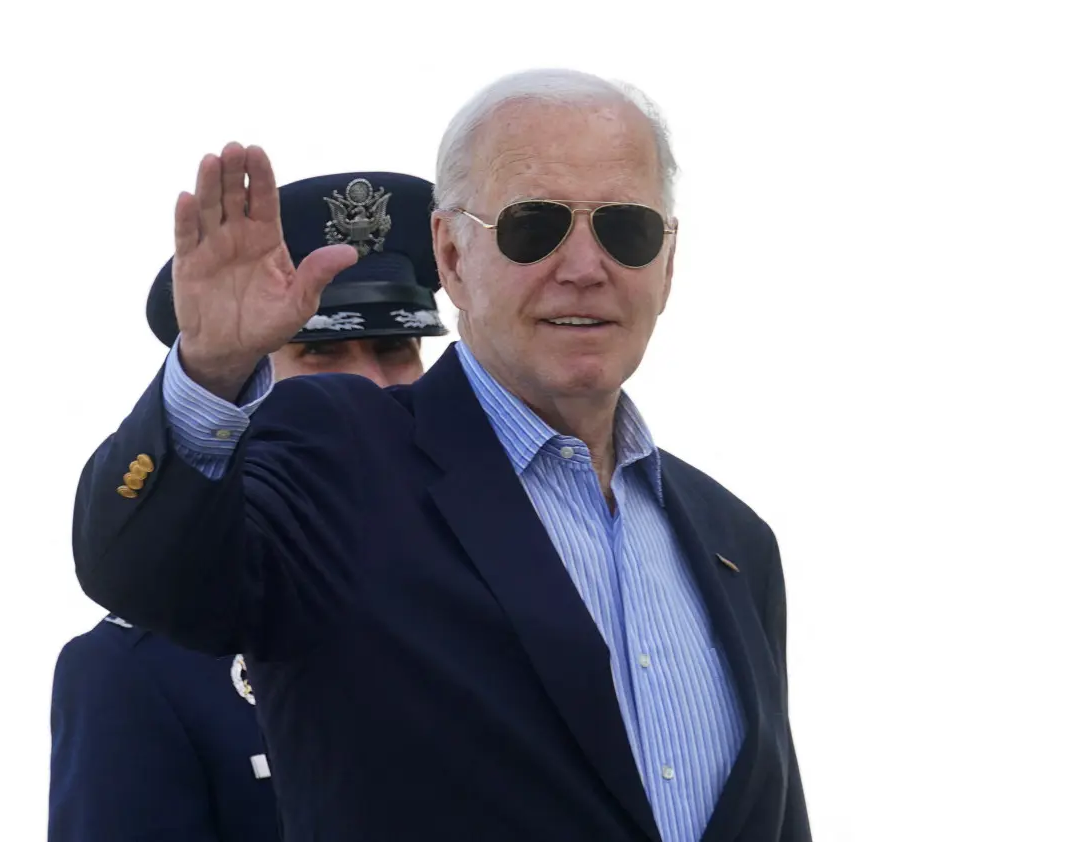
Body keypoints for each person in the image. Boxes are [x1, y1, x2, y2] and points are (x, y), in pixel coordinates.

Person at [71, 68, 810, 842]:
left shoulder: (736, 541)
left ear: (666, 263)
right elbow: (145, 572)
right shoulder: (341, 456)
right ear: (452, 258)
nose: (587, 267)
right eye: (536, 226)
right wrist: (213, 372)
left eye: (627, 228)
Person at [49, 171, 447, 842]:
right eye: (320, 353)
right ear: (250, 381)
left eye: (394, 350)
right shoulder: (141, 670)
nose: (372, 385)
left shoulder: (509, 582)